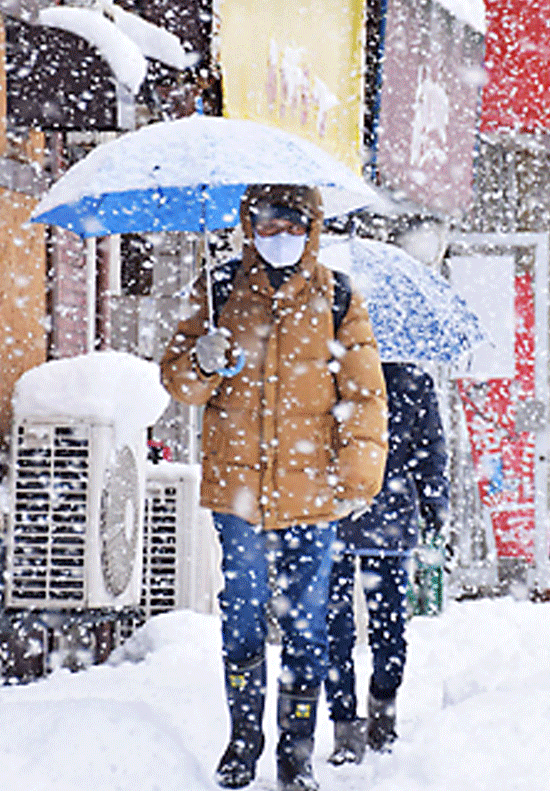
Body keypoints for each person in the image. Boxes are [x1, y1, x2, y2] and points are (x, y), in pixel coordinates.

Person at [161, 184, 388, 791]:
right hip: (237, 495)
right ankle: (243, 741)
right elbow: (181, 384)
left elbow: (365, 401)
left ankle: (296, 752)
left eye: (290, 225)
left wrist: (355, 480)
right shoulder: (219, 289)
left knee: (307, 624)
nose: (276, 236)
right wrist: (202, 361)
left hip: (312, 498)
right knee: (240, 621)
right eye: (264, 225)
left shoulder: (338, 297)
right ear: (247, 225)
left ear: (311, 227)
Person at [325, 360, 450, 765]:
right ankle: (382, 712)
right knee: (387, 626)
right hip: (387, 522)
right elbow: (430, 450)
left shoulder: (329, 369)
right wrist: (433, 502)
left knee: (336, 629)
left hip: (333, 516)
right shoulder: (411, 379)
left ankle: (347, 726)